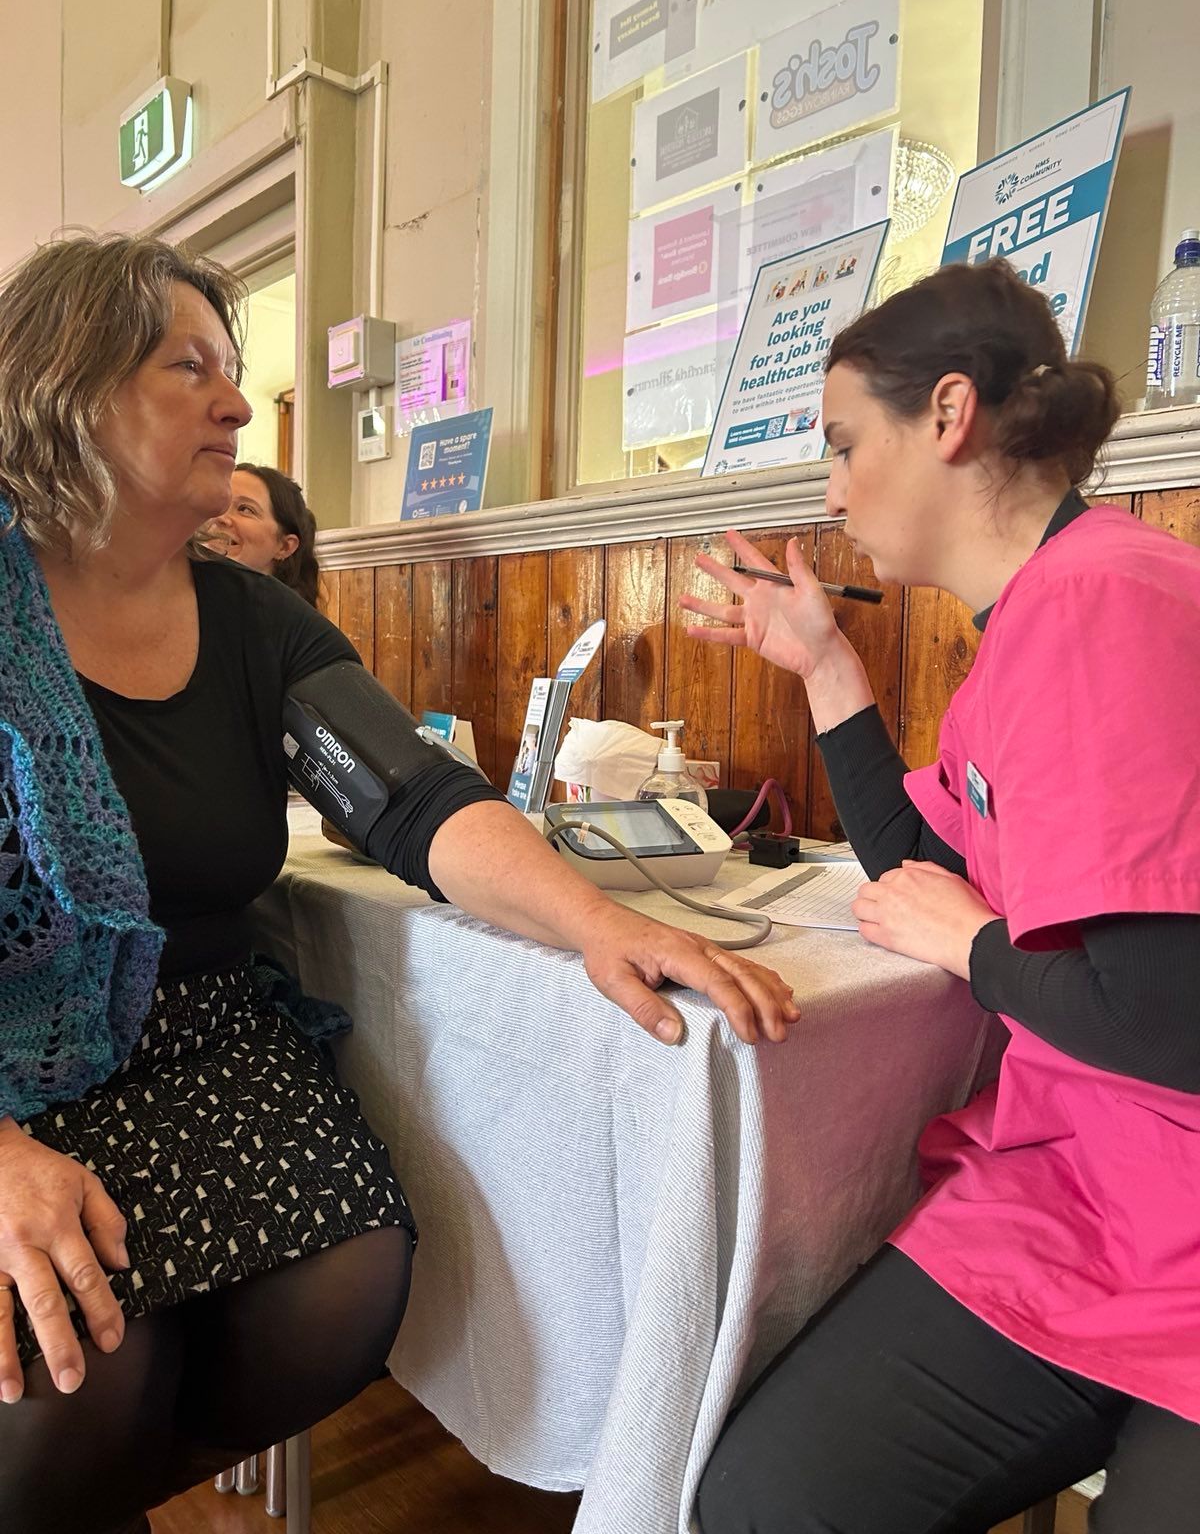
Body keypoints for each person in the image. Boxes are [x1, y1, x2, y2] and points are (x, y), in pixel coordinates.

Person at [0, 233, 796, 1534]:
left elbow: (414, 803)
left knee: (349, 1278)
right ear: (70, 391)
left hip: (203, 1051)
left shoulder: (257, 626)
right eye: (188, 366)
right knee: (79, 1376)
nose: (239, 404)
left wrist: (599, 924)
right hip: (14, 1088)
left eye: (233, 368)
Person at [682, 259, 1200, 1534]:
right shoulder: (1040, 614)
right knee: (762, 1498)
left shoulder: (1108, 604)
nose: (833, 487)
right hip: (1084, 1199)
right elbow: (918, 855)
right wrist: (818, 659)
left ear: (950, 415)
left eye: (847, 442)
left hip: (1168, 1217)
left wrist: (972, 948)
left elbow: (1164, 1021)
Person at [203, 462, 320, 606]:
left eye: (245, 509)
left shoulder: (292, 625)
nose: (220, 518)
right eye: (218, 503)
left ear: (285, 546)